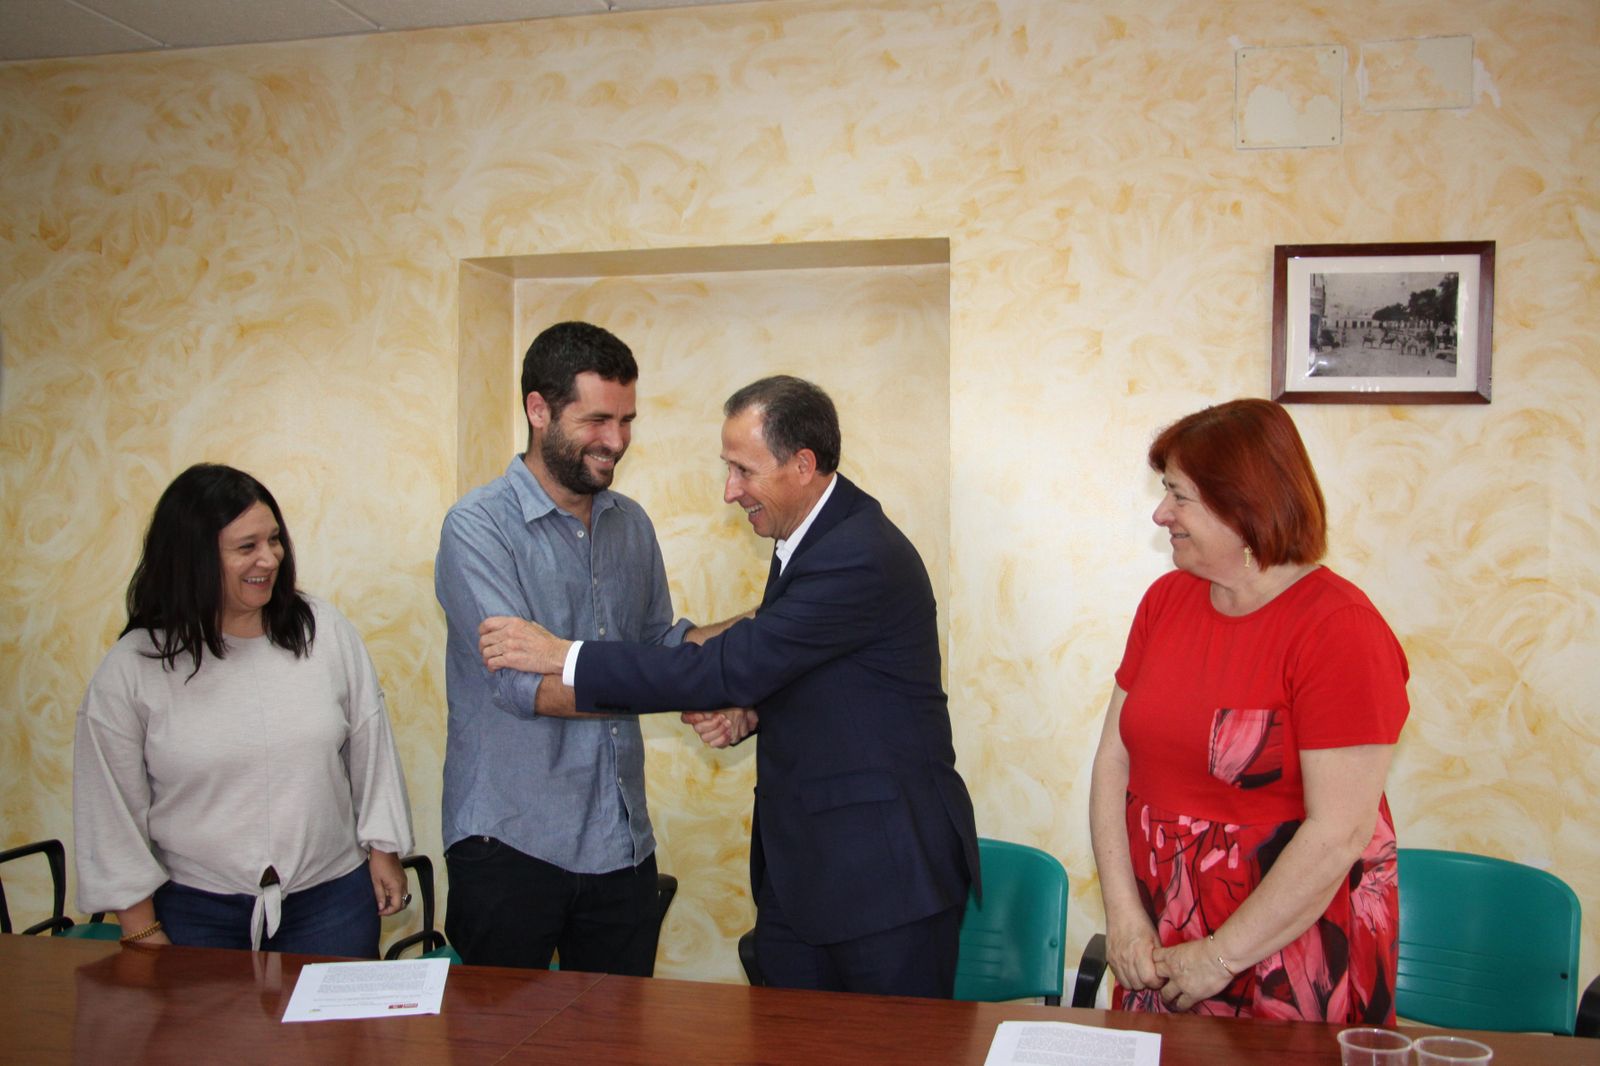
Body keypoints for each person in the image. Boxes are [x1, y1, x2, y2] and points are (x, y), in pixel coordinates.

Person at [481, 375, 980, 999]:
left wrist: (564, 654)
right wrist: (754, 712)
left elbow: (721, 668)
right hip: (810, 877)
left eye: (743, 471)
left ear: (802, 464)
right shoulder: (806, 536)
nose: (729, 491)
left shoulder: (856, 552)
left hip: (884, 879)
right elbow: (815, 671)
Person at [1089, 398, 1408, 1022]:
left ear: (1243, 505)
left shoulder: (1340, 630)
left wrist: (1220, 956)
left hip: (1288, 944)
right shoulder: (1165, 601)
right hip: (1160, 936)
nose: (1161, 514)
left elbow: (1339, 832)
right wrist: (1124, 916)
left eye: (1179, 496)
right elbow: (1112, 761)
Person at [434, 320, 695, 974]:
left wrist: (768, 628)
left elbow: (660, 645)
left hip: (622, 843)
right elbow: (534, 691)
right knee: (500, 1045)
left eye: (628, 420)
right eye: (597, 419)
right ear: (537, 409)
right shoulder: (477, 527)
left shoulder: (630, 523)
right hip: (511, 843)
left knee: (615, 1044)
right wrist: (673, 681)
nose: (617, 440)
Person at [73, 464, 414, 955]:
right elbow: (110, 810)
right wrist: (141, 927)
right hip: (196, 914)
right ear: (193, 559)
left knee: (340, 1037)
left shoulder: (323, 631)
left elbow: (370, 745)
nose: (269, 558)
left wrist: (384, 850)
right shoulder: (132, 668)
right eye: (246, 547)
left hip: (331, 905)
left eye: (274, 540)